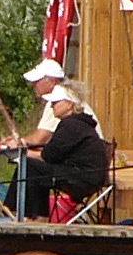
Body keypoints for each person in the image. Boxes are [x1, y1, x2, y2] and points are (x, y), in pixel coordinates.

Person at [24, 85, 111, 219]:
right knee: (35, 167)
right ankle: (34, 214)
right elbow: (56, 151)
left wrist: (23, 153)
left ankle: (31, 215)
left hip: (82, 179)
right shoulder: (78, 123)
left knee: (30, 165)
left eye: (55, 102)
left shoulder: (71, 125)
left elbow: (49, 156)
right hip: (85, 176)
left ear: (69, 104)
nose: (52, 106)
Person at [0, 57, 92, 149]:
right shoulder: (69, 95)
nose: (33, 85)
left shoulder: (60, 102)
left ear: (52, 82)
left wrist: (17, 143)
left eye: (37, 81)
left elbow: (39, 140)